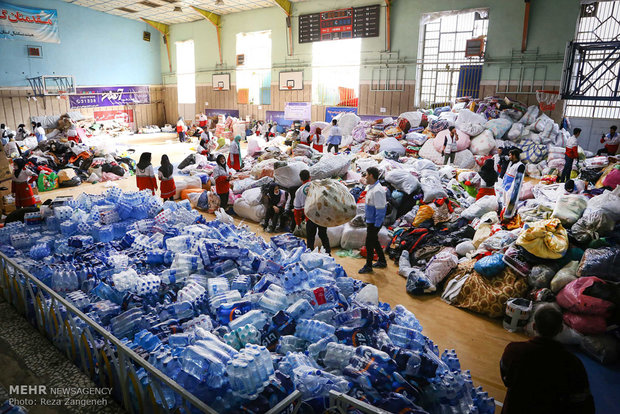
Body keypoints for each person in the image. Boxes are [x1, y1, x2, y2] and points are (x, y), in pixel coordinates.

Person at [500, 305, 594, 414]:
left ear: (534, 326)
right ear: (561, 329)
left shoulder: (514, 351)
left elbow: (507, 378)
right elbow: (582, 403)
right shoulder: (573, 364)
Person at [294, 170, 331, 254]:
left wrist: (298, 222)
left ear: (300, 179)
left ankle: (310, 254)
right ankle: (328, 253)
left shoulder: (299, 191)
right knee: (323, 235)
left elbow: (297, 210)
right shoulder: (318, 185)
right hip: (321, 215)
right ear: (310, 177)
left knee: (310, 237)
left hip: (310, 217)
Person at [359, 167, 387, 274]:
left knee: (369, 243)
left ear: (371, 176)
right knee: (374, 240)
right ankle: (382, 260)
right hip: (371, 220)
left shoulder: (377, 191)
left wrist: (376, 225)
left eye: (366, 175)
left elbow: (381, 209)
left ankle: (368, 266)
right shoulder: (371, 187)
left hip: (374, 222)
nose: (365, 177)